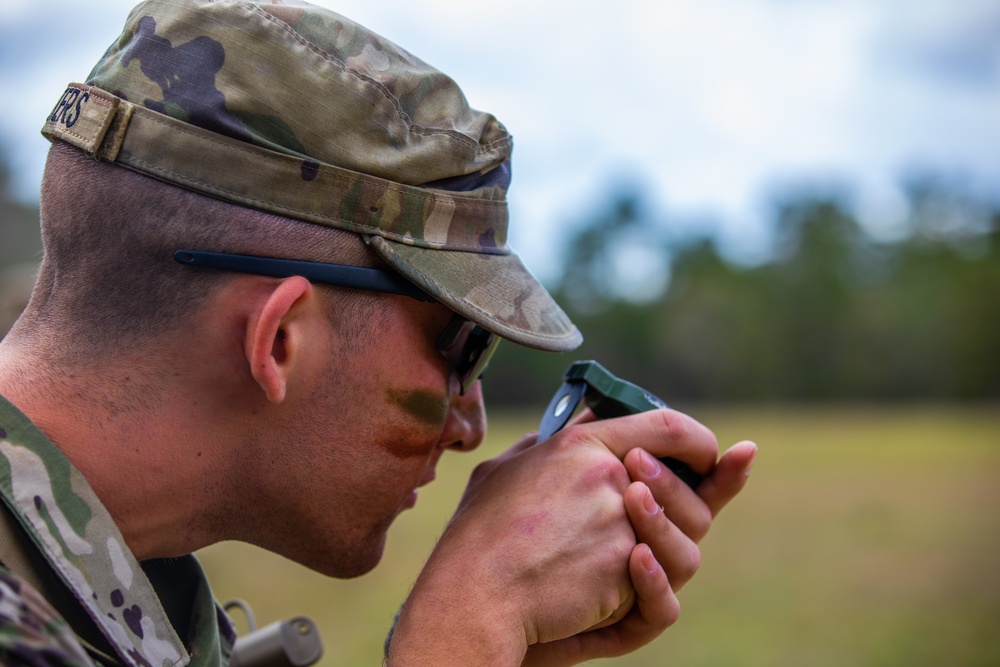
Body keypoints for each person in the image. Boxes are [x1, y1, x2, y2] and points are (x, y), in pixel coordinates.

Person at [0, 1, 757, 665]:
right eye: (459, 345)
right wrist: (466, 629)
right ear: (280, 342)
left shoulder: (117, 578)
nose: (471, 426)